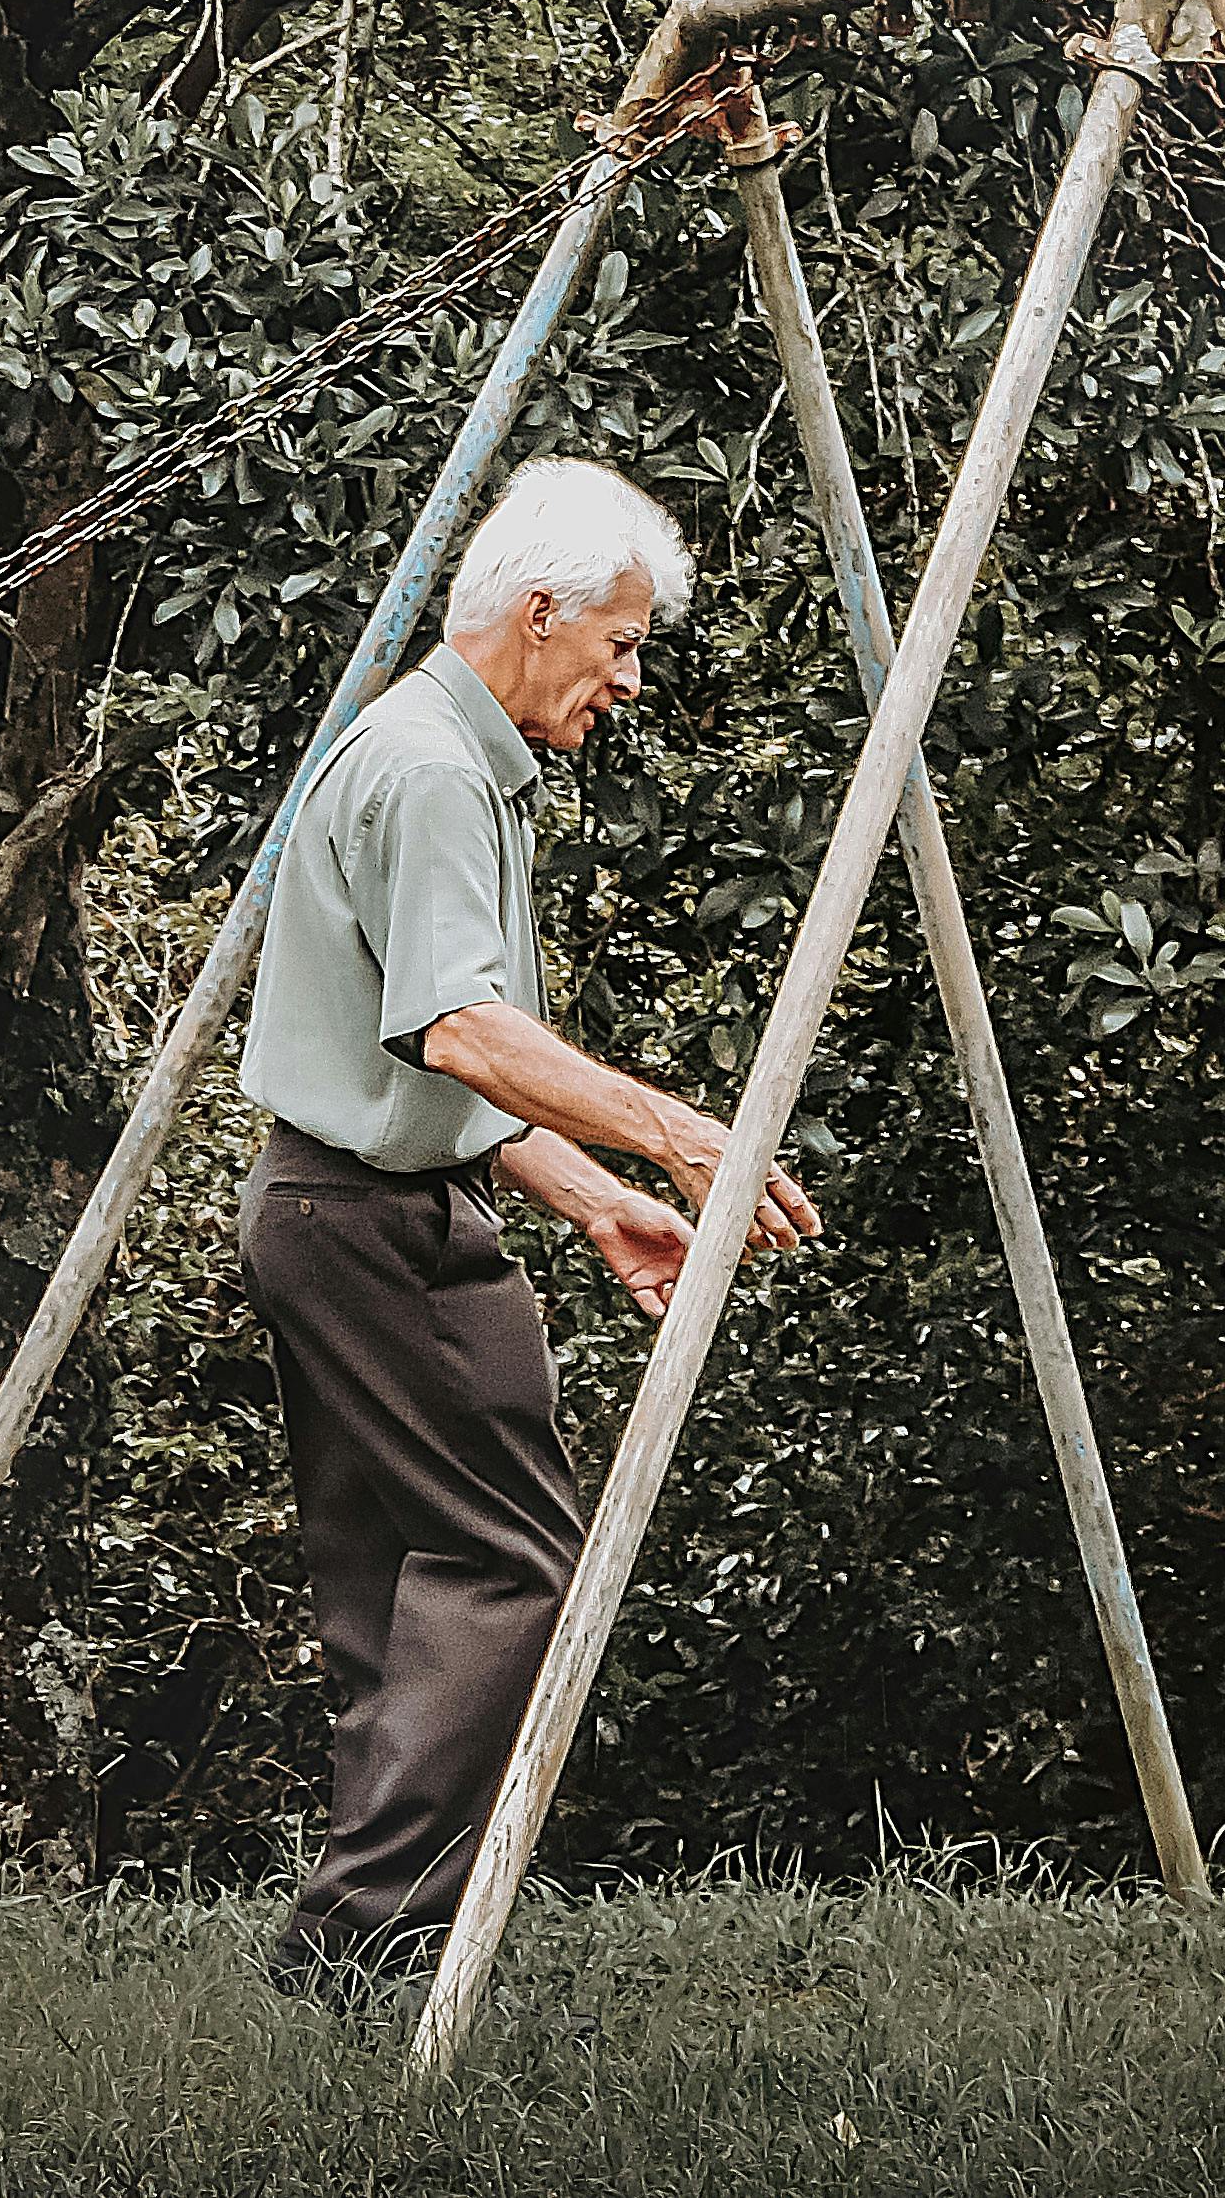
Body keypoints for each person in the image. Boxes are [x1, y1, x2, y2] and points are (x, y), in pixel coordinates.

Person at [234, 457, 819, 2007]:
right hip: (376, 1224)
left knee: (389, 1587)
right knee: (512, 1561)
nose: (629, 678)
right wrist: (686, 1134)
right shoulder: (431, 767)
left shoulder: (439, 752)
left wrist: (593, 1194)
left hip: (333, 1199)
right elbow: (460, 1028)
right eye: (621, 642)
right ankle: (361, 1939)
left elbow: (413, 1050)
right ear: (541, 612)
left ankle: (361, 1961)